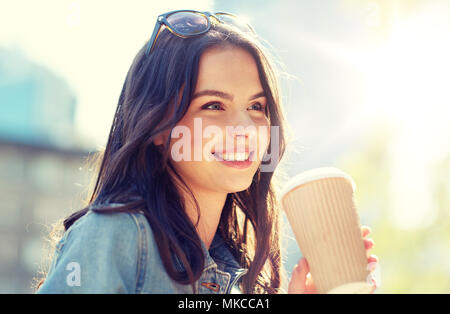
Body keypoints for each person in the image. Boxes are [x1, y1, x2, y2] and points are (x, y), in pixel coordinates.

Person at [35, 10, 377, 294]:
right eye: (214, 105)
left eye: (256, 106)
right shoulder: (117, 236)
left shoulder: (243, 277)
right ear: (158, 127)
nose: (245, 129)